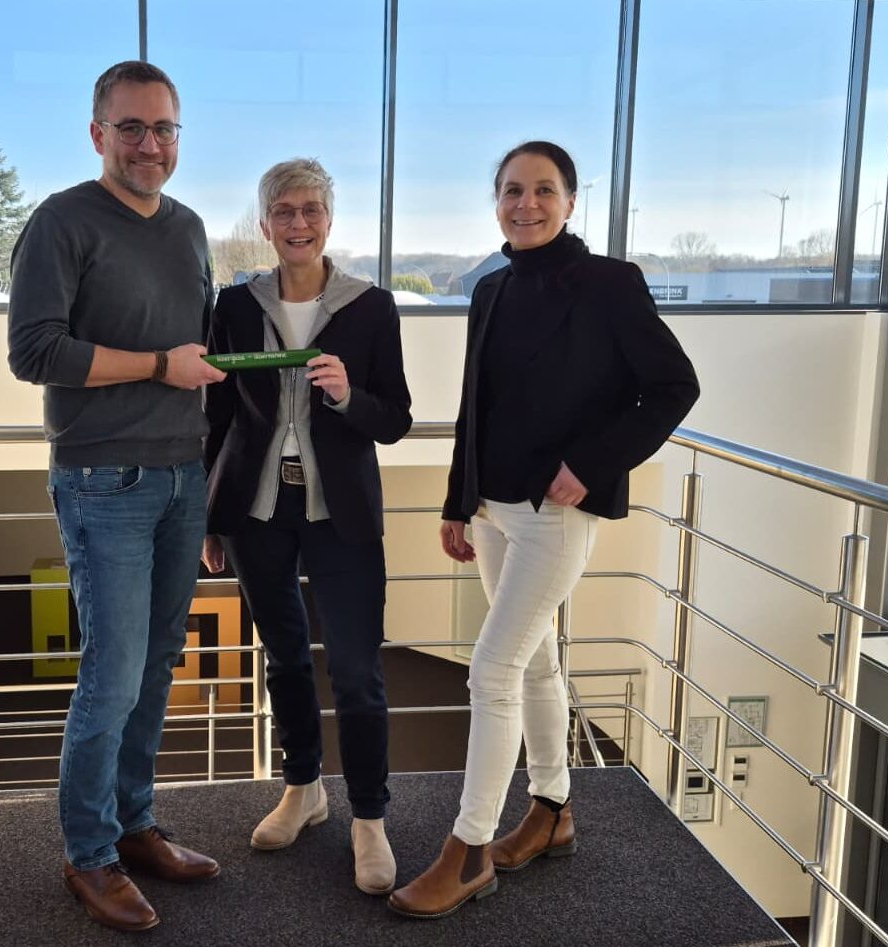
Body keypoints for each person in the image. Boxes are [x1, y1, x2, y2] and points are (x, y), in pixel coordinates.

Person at [389, 141, 699, 919]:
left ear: (569, 201)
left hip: (555, 513)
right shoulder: (490, 287)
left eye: (542, 190)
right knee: (534, 663)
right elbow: (476, 405)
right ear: (495, 200)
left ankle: (467, 851)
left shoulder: (609, 283)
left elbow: (673, 386)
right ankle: (552, 808)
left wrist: (592, 463)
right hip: (493, 508)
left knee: (491, 669)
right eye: (510, 190)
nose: (524, 204)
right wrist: (457, 500)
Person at [7, 60, 227, 933]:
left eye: (163, 128)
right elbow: (34, 352)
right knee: (110, 674)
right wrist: (158, 366)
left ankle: (134, 824)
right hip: (104, 479)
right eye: (130, 127)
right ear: (98, 133)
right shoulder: (62, 221)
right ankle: (88, 853)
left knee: (156, 663)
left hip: (183, 473)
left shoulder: (190, 227)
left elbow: (202, 344)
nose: (149, 144)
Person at [201, 158, 413, 895]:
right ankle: (302, 788)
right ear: (265, 224)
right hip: (257, 511)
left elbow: (396, 418)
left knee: (355, 669)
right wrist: (211, 517)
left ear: (329, 220)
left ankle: (369, 818)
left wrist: (350, 396)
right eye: (284, 212)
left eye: (311, 210)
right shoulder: (235, 304)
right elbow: (218, 417)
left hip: (340, 512)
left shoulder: (371, 307)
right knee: (284, 659)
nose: (299, 224)